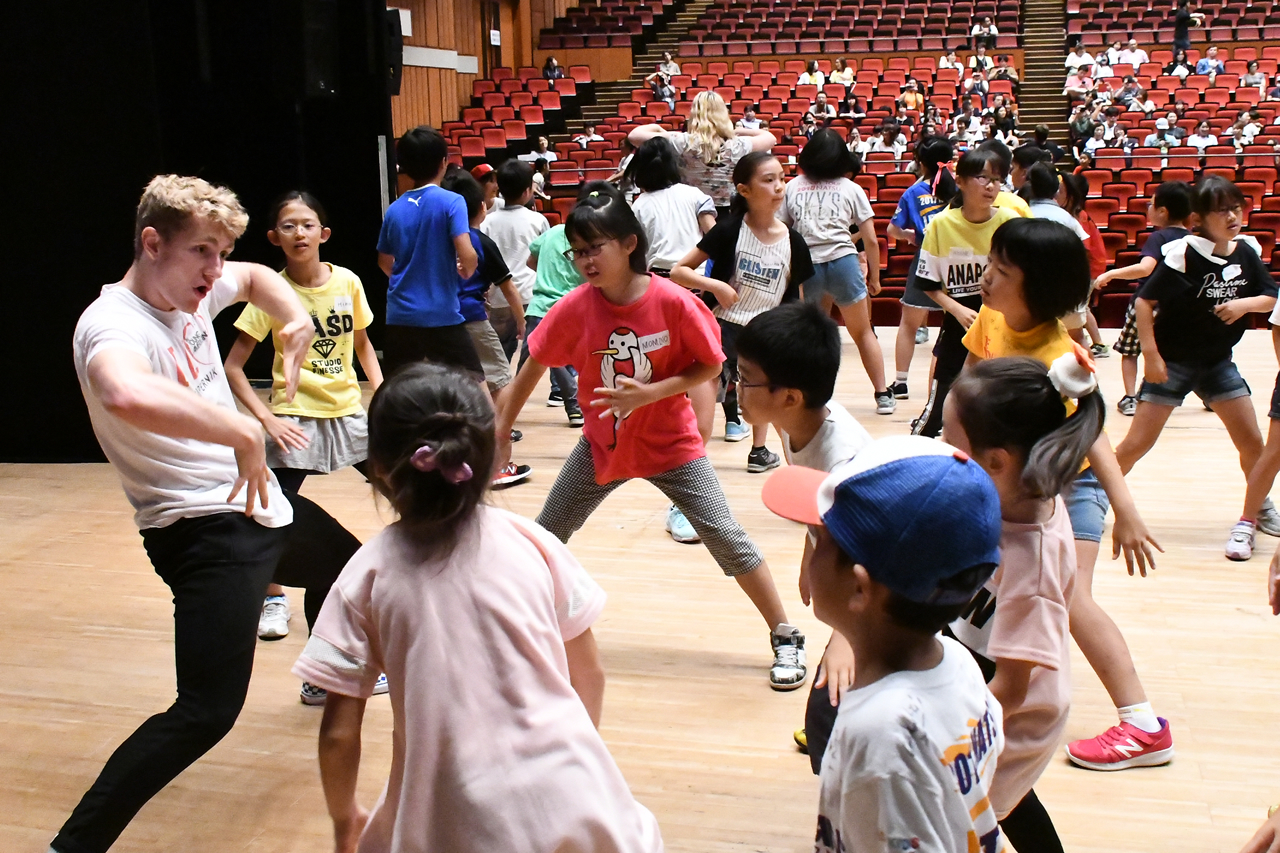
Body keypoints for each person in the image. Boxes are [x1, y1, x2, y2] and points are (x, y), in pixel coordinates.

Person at [58, 174, 359, 853]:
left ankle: (325, 679)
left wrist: (294, 318)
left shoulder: (195, 290)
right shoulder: (112, 324)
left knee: (353, 568)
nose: (215, 269)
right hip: (202, 531)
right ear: (152, 243)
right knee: (205, 712)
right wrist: (242, 430)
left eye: (220, 252)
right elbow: (123, 390)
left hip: (260, 506)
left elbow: (256, 278)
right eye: (202, 251)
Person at [295, 362, 664, 853]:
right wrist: (578, 759)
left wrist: (346, 820)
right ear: (491, 457)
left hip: (451, 807)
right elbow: (589, 674)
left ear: (377, 466)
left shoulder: (366, 575)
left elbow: (339, 735)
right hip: (573, 792)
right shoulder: (534, 541)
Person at [497, 183, 810, 690]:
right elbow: (533, 361)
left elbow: (711, 364)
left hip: (671, 447)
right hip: (602, 446)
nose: (586, 260)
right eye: (577, 251)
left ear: (629, 244)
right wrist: (501, 428)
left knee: (725, 536)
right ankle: (511, 632)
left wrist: (651, 394)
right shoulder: (576, 307)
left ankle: (785, 632)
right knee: (545, 538)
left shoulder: (672, 302)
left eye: (595, 247)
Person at [958, 217, 1170, 774]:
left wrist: (1125, 509)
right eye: (990, 263)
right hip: (1011, 481)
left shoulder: (1060, 353)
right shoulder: (990, 318)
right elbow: (968, 392)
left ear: (1039, 289)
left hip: (1070, 484)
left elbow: (1092, 432)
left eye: (1001, 271)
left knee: (1071, 598)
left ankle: (1143, 724)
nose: (986, 276)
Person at [761, 435, 1006, 853]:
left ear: (860, 588)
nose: (811, 550)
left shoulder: (883, 737)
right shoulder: (958, 664)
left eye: (819, 538)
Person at [946, 352, 1104, 853]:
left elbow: (1011, 690)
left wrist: (945, 736)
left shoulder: (1032, 563)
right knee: (1003, 801)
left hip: (1016, 710)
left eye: (950, 440)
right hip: (985, 663)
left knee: (976, 808)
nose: (940, 449)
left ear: (997, 461)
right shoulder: (1007, 493)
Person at [223, 191, 383, 644]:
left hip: (348, 411)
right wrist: (267, 420)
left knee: (404, 485)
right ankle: (272, 597)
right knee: (268, 510)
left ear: (323, 234)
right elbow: (233, 367)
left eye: (308, 224)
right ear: (274, 237)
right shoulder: (268, 291)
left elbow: (363, 344)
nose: (299, 233)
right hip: (295, 416)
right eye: (288, 226)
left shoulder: (348, 281)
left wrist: (383, 394)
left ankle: (428, 571)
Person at [731, 302, 873, 762]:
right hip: (851, 573)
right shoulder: (791, 422)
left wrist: (845, 637)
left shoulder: (843, 461)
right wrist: (809, 559)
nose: (735, 387)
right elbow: (817, 513)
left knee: (827, 715)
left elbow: (868, 555)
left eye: (745, 379)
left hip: (888, 583)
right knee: (834, 712)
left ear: (790, 396)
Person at [1116, 176, 1279, 547]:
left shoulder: (1246, 252)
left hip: (1218, 362)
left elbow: (1272, 296)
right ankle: (1085, 494)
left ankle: (1259, 506)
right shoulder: (1184, 253)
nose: (1232, 216)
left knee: (1252, 443)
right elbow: (1144, 302)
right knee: (1136, 444)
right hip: (1173, 362)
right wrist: (1151, 356)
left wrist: (1243, 305)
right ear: (1198, 219)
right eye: (1221, 211)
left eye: (1236, 208)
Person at [672, 152, 816, 469]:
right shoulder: (728, 230)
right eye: (769, 180)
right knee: (702, 420)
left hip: (765, 336)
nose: (779, 186)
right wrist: (716, 286)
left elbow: (797, 300)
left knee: (777, 408)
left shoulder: (794, 242)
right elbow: (678, 271)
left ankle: (761, 452)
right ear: (744, 190)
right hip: (720, 329)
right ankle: (689, 474)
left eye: (782, 178)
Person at [777, 130, 894, 414]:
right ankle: (882, 395)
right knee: (863, 332)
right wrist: (875, 278)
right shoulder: (851, 188)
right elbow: (870, 238)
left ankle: (814, 397)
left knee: (812, 336)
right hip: (844, 263)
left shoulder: (792, 187)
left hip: (808, 267)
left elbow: (781, 231)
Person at [910, 148, 1022, 438]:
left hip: (1004, 323)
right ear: (959, 181)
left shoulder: (1010, 221)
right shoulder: (941, 225)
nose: (991, 186)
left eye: (997, 179)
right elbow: (927, 284)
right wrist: (958, 310)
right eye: (982, 178)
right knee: (940, 403)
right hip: (960, 322)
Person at [439, 171, 536, 486]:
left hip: (436, 324)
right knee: (500, 383)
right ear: (482, 207)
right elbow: (508, 287)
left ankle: (455, 458)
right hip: (472, 321)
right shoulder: (478, 241)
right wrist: (521, 320)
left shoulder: (436, 241)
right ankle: (498, 464)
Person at [376, 125, 481, 378]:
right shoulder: (452, 201)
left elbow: (384, 262)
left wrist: (410, 278)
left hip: (400, 316)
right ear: (443, 162)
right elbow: (467, 256)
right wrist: (467, 268)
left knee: (398, 386)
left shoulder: (394, 209)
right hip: (442, 316)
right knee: (473, 382)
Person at [1095, 181, 1194, 416]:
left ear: (1163, 211)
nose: (1148, 208)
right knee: (1182, 352)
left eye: (1151, 204)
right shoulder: (1192, 239)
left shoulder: (1158, 237)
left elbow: (1145, 268)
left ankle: (1130, 397)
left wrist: (1111, 274)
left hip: (1147, 304)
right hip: (1178, 306)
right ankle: (1208, 394)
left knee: (1130, 350)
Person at [520, 185, 597, 425]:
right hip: (572, 307)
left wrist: (547, 274)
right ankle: (573, 407)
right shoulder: (593, 243)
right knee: (561, 359)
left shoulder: (553, 232)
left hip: (541, 305)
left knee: (530, 361)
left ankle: (507, 405)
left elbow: (530, 260)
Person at [888, 136, 958, 400]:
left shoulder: (913, 192)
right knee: (956, 324)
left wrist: (910, 235)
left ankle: (901, 383)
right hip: (957, 261)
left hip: (926, 259)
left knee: (909, 325)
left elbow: (892, 230)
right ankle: (955, 382)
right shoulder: (960, 190)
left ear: (920, 163)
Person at [629, 91, 774, 217]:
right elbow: (770, 138)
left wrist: (659, 128)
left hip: (689, 211)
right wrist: (738, 131)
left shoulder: (683, 141)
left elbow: (634, 136)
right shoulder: (737, 145)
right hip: (728, 212)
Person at [480, 160, 546, 369]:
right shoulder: (538, 220)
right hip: (529, 295)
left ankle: (502, 386)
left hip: (498, 296)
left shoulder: (487, 222)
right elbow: (543, 257)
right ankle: (519, 386)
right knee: (531, 353)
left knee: (499, 354)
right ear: (527, 191)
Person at [1060, 173, 1111, 358]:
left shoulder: (1079, 217)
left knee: (1081, 307)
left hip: (1091, 267)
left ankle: (1098, 344)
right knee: (1084, 307)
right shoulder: (1074, 215)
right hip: (1091, 266)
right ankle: (1098, 343)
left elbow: (1084, 248)